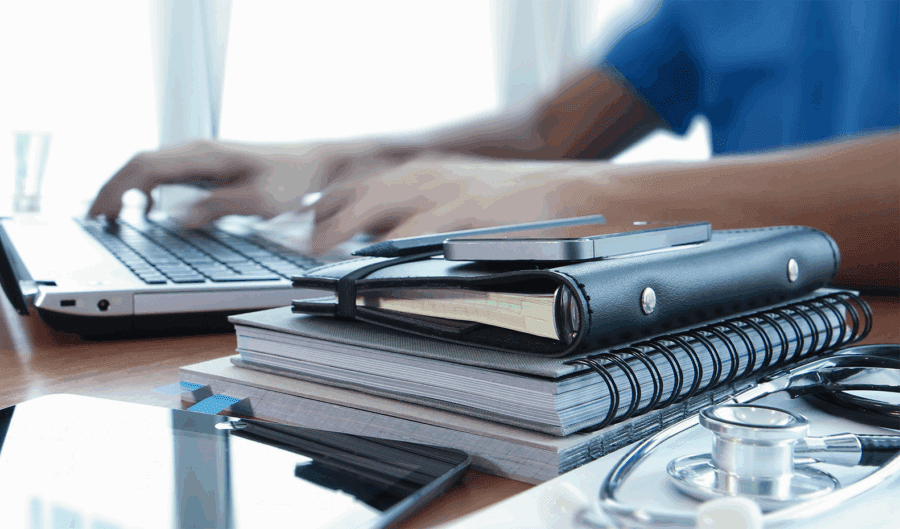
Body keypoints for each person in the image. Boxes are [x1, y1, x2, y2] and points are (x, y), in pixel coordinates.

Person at [89, 1, 898, 292]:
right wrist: (323, 161)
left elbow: (556, 168)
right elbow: (551, 133)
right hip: (756, 349)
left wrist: (574, 204)